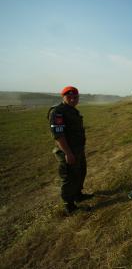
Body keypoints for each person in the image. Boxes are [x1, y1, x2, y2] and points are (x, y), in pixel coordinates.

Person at [48, 86, 93, 214]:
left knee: (80, 173)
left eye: (75, 97)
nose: (73, 99)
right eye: (70, 97)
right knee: (69, 178)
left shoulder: (72, 110)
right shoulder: (57, 112)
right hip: (67, 152)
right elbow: (59, 135)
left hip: (78, 150)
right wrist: (68, 153)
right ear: (63, 97)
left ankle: (78, 195)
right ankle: (69, 206)